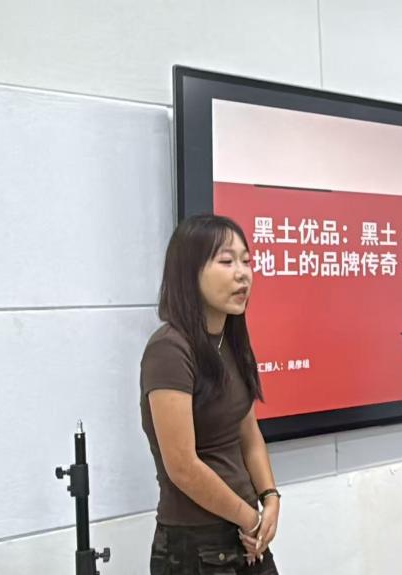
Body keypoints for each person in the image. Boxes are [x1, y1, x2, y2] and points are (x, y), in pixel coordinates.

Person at [140, 214, 280, 574]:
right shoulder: (169, 349)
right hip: (195, 546)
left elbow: (248, 434)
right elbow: (182, 467)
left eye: (246, 261)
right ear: (190, 272)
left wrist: (270, 498)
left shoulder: (230, 341)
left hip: (244, 534)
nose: (243, 274)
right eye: (227, 261)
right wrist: (250, 518)